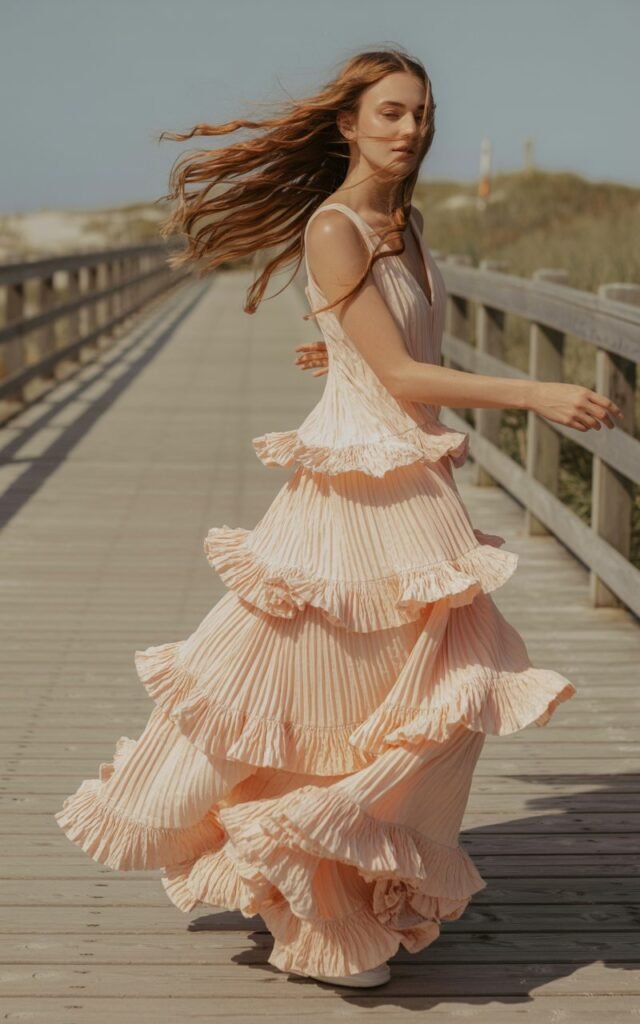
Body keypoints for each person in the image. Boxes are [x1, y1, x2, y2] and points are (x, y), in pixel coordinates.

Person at [54, 47, 622, 990]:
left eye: (421, 114)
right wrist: (535, 393)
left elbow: (396, 347)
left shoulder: (409, 221)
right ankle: (312, 897)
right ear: (348, 125)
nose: (411, 130)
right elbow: (400, 375)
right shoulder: (335, 228)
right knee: (355, 689)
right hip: (359, 491)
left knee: (418, 697)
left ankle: (335, 868)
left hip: (407, 479)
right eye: (391, 113)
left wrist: (342, 347)